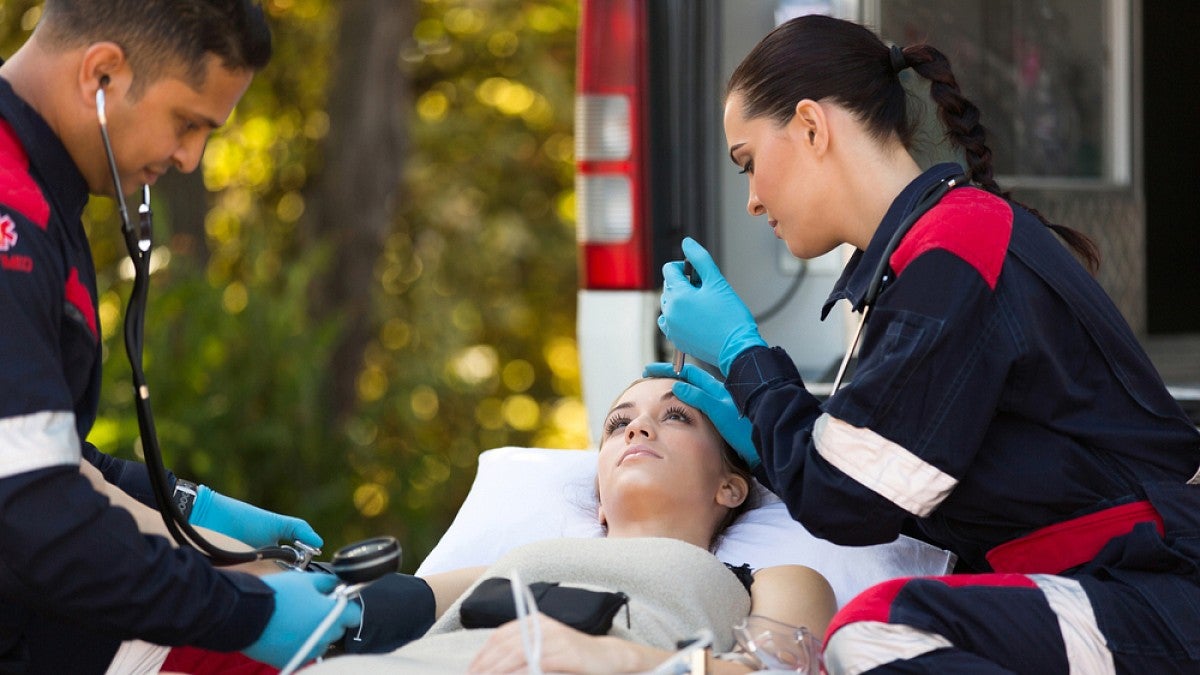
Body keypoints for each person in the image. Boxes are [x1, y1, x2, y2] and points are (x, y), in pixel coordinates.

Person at [653, 13, 1200, 675]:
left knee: (877, 631)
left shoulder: (955, 249)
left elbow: (849, 501)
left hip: (1161, 590)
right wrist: (767, 440)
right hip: (1128, 584)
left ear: (810, 126)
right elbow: (890, 474)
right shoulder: (931, 250)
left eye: (748, 163)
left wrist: (744, 354)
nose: (751, 200)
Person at [0, 1, 360, 672]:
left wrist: (179, 501)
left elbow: (37, 449)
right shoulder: (9, 220)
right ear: (101, 74)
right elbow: (33, 514)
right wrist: (248, 613)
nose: (190, 158)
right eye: (187, 123)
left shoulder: (39, 193)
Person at [305, 376, 837, 674]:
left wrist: (625, 661)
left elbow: (775, 673)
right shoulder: (523, 560)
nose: (639, 428)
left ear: (730, 487)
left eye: (676, 416)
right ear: (601, 501)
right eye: (618, 424)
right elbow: (356, 602)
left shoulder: (770, 580)